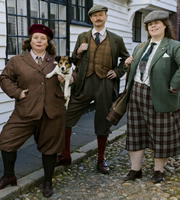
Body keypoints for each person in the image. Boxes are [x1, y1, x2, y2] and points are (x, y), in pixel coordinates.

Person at [56, 5, 129, 174]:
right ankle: (65, 155)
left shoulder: (116, 39)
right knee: (67, 117)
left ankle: (101, 159)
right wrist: (78, 51)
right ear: (91, 19)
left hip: (105, 84)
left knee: (103, 122)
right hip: (84, 83)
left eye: (100, 15)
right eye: (95, 16)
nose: (98, 18)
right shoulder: (83, 36)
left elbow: (125, 59)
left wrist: (117, 72)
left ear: (106, 17)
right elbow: (73, 59)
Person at [0, 24, 66, 197]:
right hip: (26, 109)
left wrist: (66, 77)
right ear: (30, 40)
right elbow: (5, 78)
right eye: (36, 37)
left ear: (48, 42)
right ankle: (9, 176)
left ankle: (47, 182)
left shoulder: (56, 59)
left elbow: (72, 73)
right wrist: (17, 92)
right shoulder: (17, 60)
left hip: (52, 110)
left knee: (50, 148)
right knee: (6, 139)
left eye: (43, 38)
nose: (39, 41)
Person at [124, 10, 180, 183]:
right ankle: (135, 169)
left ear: (165, 25)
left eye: (157, 23)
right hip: (136, 93)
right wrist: (129, 64)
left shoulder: (173, 45)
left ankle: (158, 170)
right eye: (149, 24)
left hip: (160, 96)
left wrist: (175, 85)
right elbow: (137, 68)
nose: (153, 26)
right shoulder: (140, 46)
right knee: (136, 132)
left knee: (160, 134)